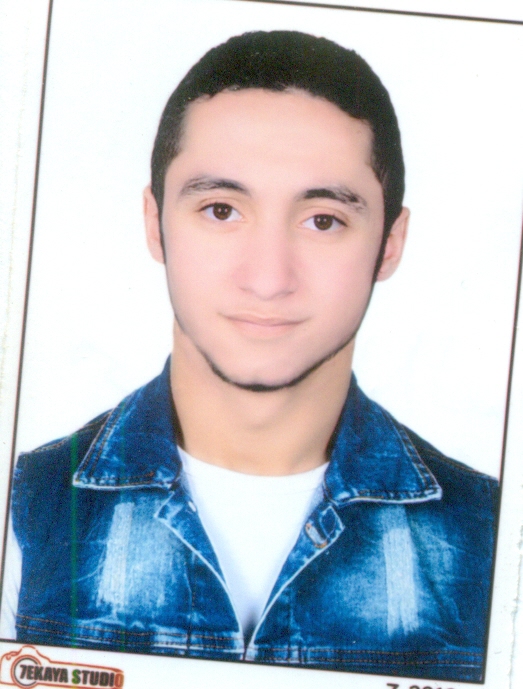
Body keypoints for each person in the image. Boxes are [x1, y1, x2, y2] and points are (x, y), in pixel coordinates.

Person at [3, 31, 497, 682]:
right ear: (154, 223)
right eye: (220, 210)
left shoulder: (493, 538)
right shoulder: (22, 512)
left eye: (323, 220)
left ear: (389, 244)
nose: (267, 279)